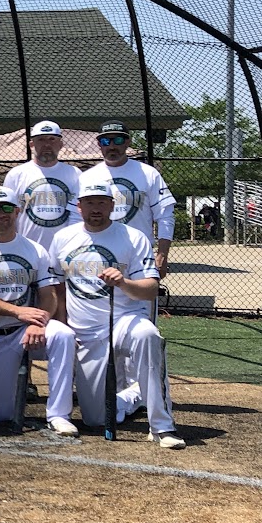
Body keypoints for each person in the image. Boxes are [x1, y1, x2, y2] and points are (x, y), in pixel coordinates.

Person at [49, 178, 183, 448]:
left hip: (124, 321)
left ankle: (162, 426)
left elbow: (150, 289)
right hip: (86, 332)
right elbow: (56, 286)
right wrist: (63, 323)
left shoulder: (133, 237)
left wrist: (123, 283)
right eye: (89, 203)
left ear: (112, 205)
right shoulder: (62, 238)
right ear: (79, 207)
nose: (95, 208)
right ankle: (134, 395)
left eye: (101, 202)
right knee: (95, 419)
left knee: (147, 335)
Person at [0, 187, 78, 436]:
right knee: (0, 414)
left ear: (17, 212)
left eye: (7, 208)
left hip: (25, 330)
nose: (1, 213)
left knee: (63, 335)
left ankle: (58, 415)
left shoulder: (35, 250)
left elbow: (48, 295)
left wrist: (37, 322)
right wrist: (17, 312)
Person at [86, 120, 176, 278]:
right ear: (99, 144)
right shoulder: (88, 177)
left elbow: (165, 215)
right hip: (99, 255)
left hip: (139, 254)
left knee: (143, 294)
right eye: (106, 141)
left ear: (128, 142)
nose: (112, 146)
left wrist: (162, 255)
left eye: (118, 140)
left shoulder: (148, 174)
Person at [1, 120, 81, 252]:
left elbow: (78, 216)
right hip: (27, 250)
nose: (47, 144)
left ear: (61, 144)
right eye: (41, 139)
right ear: (31, 145)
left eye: (52, 139)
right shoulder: (16, 174)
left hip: (64, 250)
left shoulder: (74, 174)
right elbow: (8, 215)